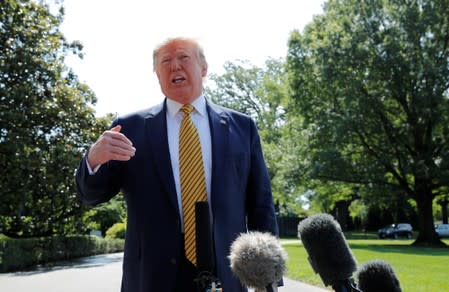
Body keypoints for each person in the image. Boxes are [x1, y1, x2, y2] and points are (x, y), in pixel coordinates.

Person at [75, 37, 279, 292]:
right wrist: (93, 160)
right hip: (152, 274)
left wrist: (268, 277)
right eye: (165, 62)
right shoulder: (129, 128)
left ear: (203, 68)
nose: (175, 67)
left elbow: (260, 203)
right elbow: (91, 196)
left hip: (225, 268)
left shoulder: (242, 127)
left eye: (183, 58)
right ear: (157, 74)